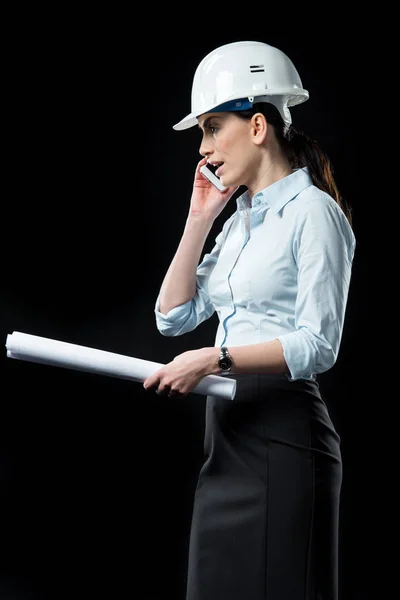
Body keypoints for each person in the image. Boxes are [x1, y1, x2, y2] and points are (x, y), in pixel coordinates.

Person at [143, 40, 356, 600]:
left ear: (257, 125)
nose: (204, 149)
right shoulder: (238, 222)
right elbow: (173, 316)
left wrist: (218, 357)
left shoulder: (315, 214)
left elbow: (318, 344)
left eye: (213, 128)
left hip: (285, 441)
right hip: (227, 445)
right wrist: (199, 220)